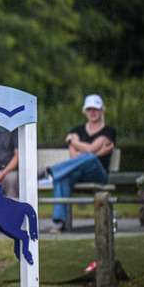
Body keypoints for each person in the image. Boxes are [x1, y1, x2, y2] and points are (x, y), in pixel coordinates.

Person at [39, 94, 117, 233]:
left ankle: (50, 171)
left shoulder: (109, 131)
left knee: (91, 158)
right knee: (62, 177)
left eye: (95, 109)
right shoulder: (77, 130)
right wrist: (95, 152)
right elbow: (74, 155)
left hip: (97, 174)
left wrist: (73, 142)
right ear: (85, 111)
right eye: (89, 109)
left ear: (102, 110)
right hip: (78, 173)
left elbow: (90, 150)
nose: (92, 112)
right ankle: (59, 223)